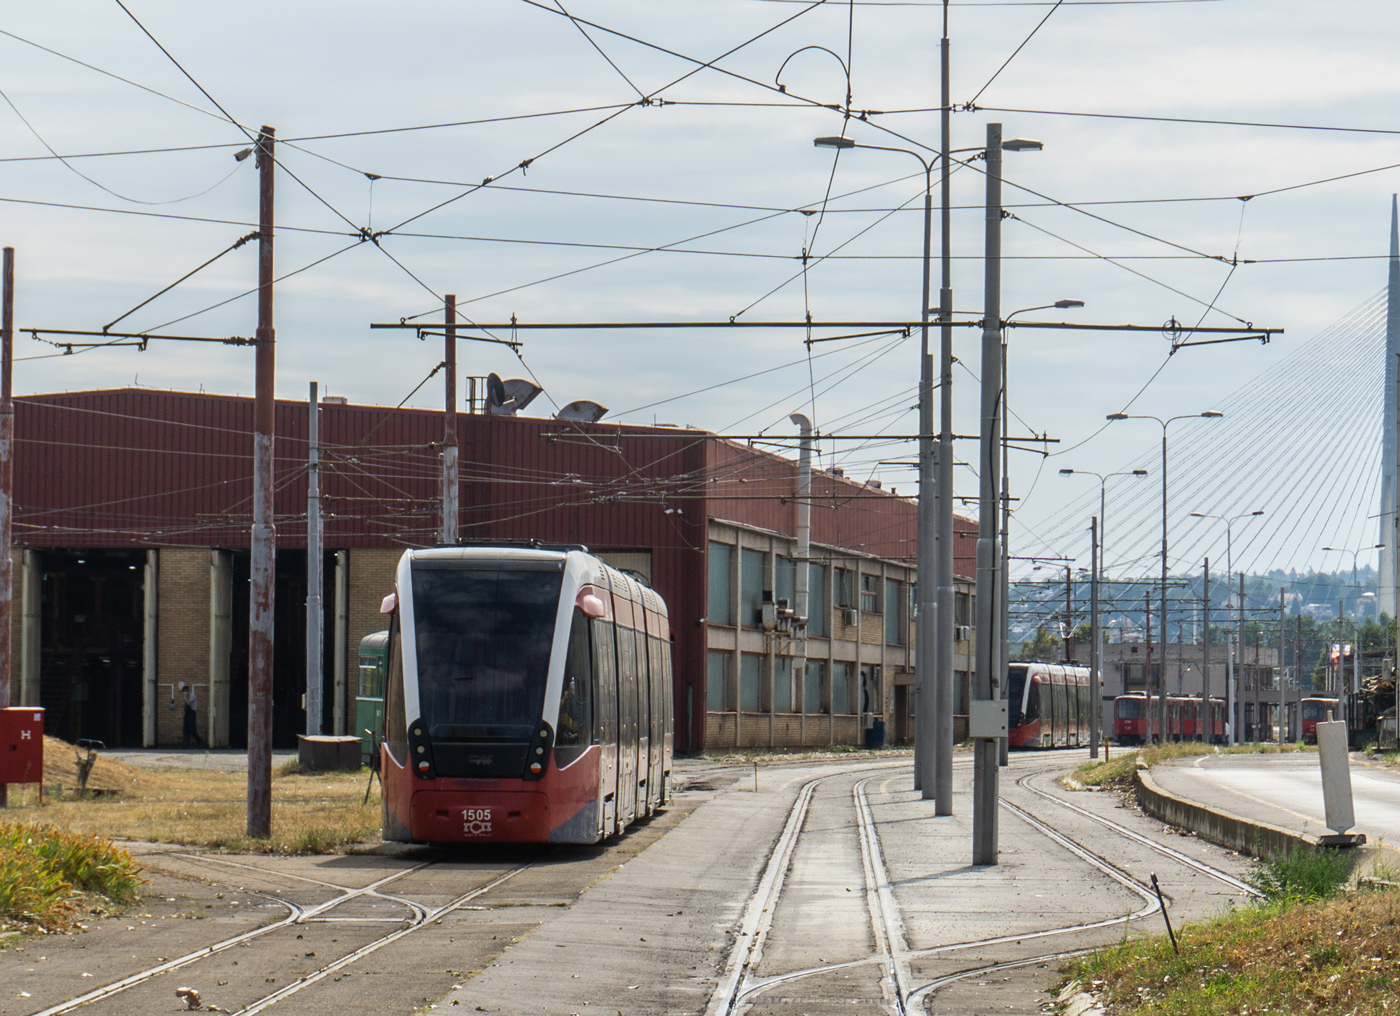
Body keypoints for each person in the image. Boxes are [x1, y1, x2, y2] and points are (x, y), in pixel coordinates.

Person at [182, 684, 207, 749]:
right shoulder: (186, 697)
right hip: (187, 714)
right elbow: (185, 706)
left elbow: (188, 703)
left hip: (192, 714)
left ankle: (200, 742)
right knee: (185, 730)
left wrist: (185, 696)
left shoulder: (192, 696)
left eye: (185, 692)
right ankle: (186, 745)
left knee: (192, 730)